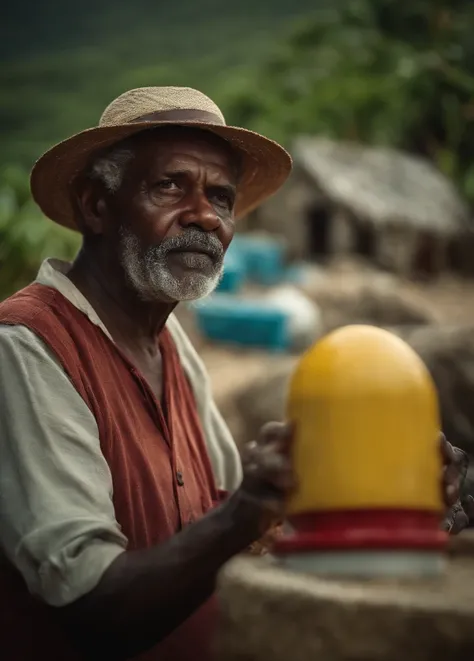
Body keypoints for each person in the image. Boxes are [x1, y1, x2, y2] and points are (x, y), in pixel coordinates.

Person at [0, 86, 469, 661]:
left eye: (220, 197)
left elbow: (244, 539)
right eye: (169, 185)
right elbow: (93, 610)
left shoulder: (171, 346)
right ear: (97, 205)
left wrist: (394, 497)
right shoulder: (26, 347)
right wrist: (247, 510)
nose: (203, 215)